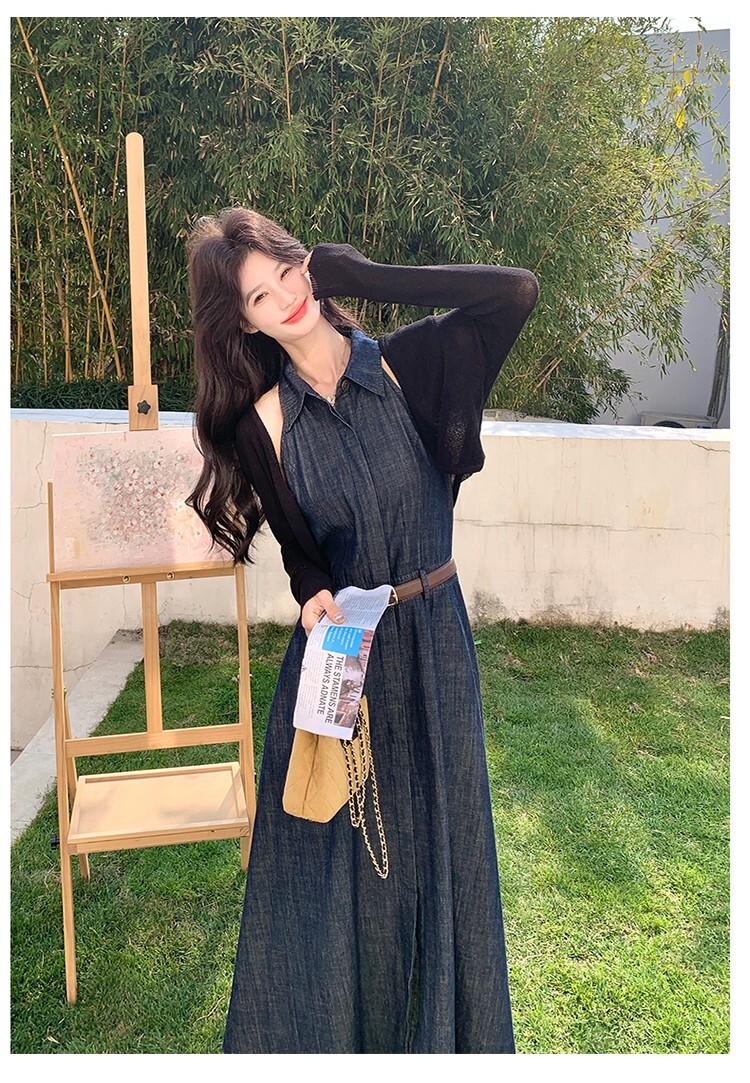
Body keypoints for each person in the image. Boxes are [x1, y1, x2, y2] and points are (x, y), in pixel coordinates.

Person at [186, 207, 539, 1054]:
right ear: (246, 323)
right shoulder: (264, 424)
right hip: (350, 661)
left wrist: (369, 277)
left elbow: (515, 293)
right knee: (354, 884)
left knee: (447, 856)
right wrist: (311, 592)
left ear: (307, 262)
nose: (286, 298)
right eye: (261, 297)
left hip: (437, 646)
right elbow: (303, 554)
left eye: (288, 271)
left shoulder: (413, 366)